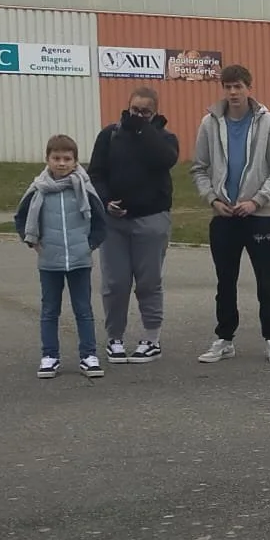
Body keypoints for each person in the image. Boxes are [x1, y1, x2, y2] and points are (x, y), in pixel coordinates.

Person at [191, 65, 270, 365]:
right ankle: (224, 338)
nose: (233, 93)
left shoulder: (268, 122)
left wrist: (257, 201)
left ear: (249, 87)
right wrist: (212, 199)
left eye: (238, 87)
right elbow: (199, 168)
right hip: (224, 216)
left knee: (265, 280)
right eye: (228, 87)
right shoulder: (209, 123)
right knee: (225, 281)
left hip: (258, 216)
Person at [87, 85, 179, 363]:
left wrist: (144, 130)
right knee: (115, 282)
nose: (138, 116)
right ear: (127, 107)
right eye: (134, 111)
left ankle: (151, 338)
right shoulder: (109, 135)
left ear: (155, 113)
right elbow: (96, 173)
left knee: (149, 282)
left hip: (151, 219)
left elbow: (165, 160)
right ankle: (115, 338)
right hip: (115, 223)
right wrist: (105, 202)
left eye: (145, 112)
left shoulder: (164, 138)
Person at [13, 135, 109, 379]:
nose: (62, 163)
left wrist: (90, 244)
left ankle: (88, 355)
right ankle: (50, 356)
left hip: (79, 260)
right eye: (56, 158)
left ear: (76, 161)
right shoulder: (39, 189)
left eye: (67, 159)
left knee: (83, 309)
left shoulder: (84, 188)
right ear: (48, 160)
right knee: (49, 310)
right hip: (49, 261)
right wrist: (31, 240)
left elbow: (100, 218)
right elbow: (21, 217)